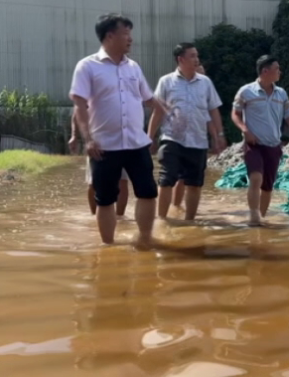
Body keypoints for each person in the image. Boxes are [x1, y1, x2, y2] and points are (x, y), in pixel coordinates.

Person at [69, 13, 166, 246]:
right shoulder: (87, 66)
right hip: (104, 145)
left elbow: (148, 98)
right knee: (105, 199)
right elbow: (79, 105)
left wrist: (160, 108)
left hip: (135, 143)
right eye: (126, 34)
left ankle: (144, 239)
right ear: (109, 36)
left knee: (148, 192)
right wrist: (87, 139)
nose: (130, 39)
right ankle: (108, 248)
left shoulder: (133, 67)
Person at [148, 44, 226, 222]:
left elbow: (213, 110)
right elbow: (158, 111)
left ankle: (190, 221)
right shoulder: (166, 81)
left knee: (194, 183)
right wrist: (149, 136)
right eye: (192, 56)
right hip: (172, 138)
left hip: (198, 141)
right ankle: (162, 221)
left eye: (197, 55)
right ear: (180, 59)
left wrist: (218, 136)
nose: (196, 59)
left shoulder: (205, 83)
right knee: (166, 179)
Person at [231, 55, 289, 227]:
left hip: (273, 145)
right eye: (277, 68)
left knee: (267, 187)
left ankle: (261, 220)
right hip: (253, 144)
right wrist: (245, 130)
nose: (280, 71)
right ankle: (254, 216)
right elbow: (235, 113)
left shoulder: (282, 93)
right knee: (255, 178)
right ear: (265, 71)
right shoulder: (246, 91)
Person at [69, 109, 130, 217]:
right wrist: (74, 136)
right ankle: (94, 216)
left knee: (122, 181)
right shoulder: (91, 93)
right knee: (93, 183)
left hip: (121, 142)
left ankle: (120, 218)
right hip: (97, 142)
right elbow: (77, 112)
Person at [171, 62, 215, 211]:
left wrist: (215, 136)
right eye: (198, 73)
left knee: (195, 180)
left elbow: (209, 117)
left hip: (199, 141)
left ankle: (188, 209)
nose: (200, 77)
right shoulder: (177, 87)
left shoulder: (204, 90)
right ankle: (175, 206)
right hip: (180, 140)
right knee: (180, 178)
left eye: (203, 74)